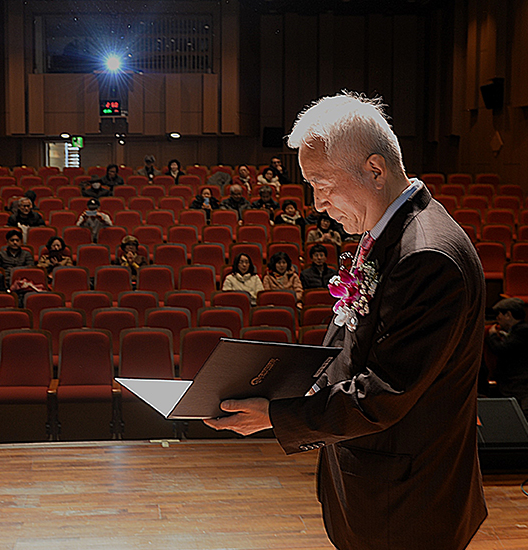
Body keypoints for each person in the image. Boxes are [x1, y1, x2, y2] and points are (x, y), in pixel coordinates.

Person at [206, 92, 487, 550]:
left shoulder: (427, 254)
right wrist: (289, 384)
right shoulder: (390, 230)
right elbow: (355, 342)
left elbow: (385, 392)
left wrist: (277, 415)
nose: (318, 203)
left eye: (322, 184)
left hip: (407, 501)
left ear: (375, 170)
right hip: (378, 483)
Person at [485, 297, 528, 418]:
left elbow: (501, 349)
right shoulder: (516, 331)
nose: (497, 318)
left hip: (518, 386)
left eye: (499, 314)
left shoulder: (523, 331)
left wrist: (492, 335)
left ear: (508, 315)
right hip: (512, 385)